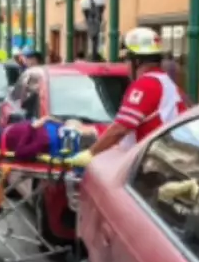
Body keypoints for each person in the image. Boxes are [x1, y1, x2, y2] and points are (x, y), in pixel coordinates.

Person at [68, 27, 187, 166]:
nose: (126, 65)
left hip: (150, 163)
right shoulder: (166, 82)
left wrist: (90, 153)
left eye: (126, 60)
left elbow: (121, 128)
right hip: (164, 158)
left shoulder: (146, 84)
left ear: (136, 61)